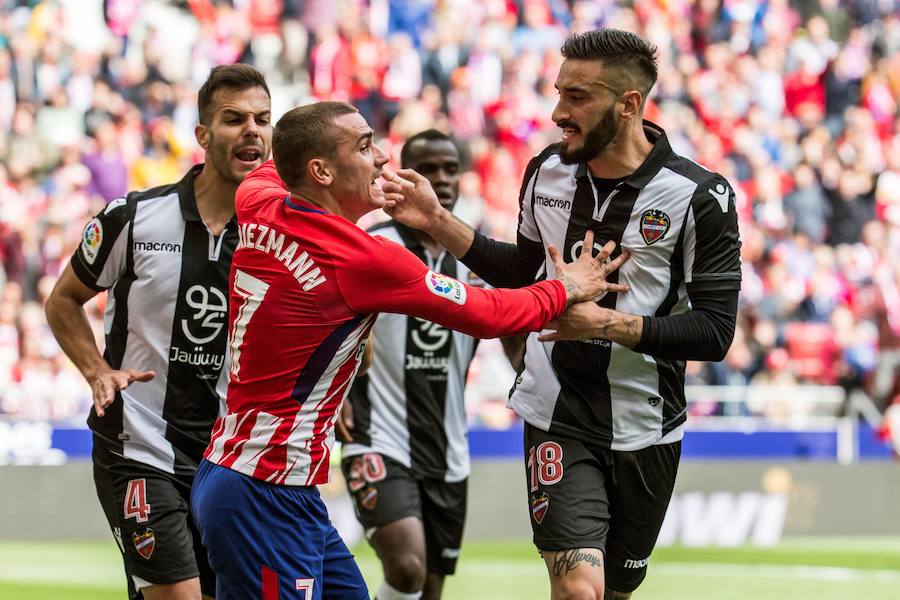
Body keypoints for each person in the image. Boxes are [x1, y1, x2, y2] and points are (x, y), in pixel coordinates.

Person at [189, 101, 628, 600]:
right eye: (364, 147)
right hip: (263, 491)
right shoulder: (363, 257)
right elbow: (488, 314)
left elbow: (282, 158)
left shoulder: (257, 198)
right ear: (321, 171)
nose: (382, 158)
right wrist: (565, 287)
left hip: (259, 478)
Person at [384, 29, 742, 600]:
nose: (558, 112)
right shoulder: (546, 171)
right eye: (559, 93)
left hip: (648, 425)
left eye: (578, 98)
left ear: (628, 104)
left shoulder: (699, 196)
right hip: (556, 411)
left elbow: (715, 332)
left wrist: (602, 323)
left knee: (616, 593)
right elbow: (520, 270)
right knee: (579, 589)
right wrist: (435, 221)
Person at [45, 64, 273, 600]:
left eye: (263, 119)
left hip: (230, 459)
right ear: (201, 135)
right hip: (138, 445)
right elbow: (63, 301)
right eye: (233, 119)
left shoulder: (275, 237)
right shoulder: (134, 217)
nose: (252, 131)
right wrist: (96, 371)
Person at [338, 129, 518, 600]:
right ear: (402, 174)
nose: (440, 179)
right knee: (407, 566)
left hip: (448, 448)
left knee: (431, 588)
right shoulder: (372, 245)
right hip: (379, 436)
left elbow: (516, 336)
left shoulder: (479, 260)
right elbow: (329, 321)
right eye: (428, 168)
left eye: (450, 169)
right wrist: (334, 395)